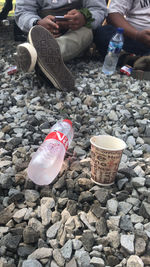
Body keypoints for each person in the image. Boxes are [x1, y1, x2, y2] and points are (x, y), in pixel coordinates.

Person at [14, 0, 107, 91]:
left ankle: (36, 56)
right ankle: (46, 61)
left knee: (86, 32)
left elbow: (99, 10)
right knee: (36, 34)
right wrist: (36, 23)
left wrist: (84, 18)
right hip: (42, 32)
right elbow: (23, 12)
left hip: (77, 30)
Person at [94, 0, 150, 70]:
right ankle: (140, 60)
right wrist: (137, 35)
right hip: (134, 39)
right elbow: (113, 13)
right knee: (103, 33)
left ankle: (136, 61)